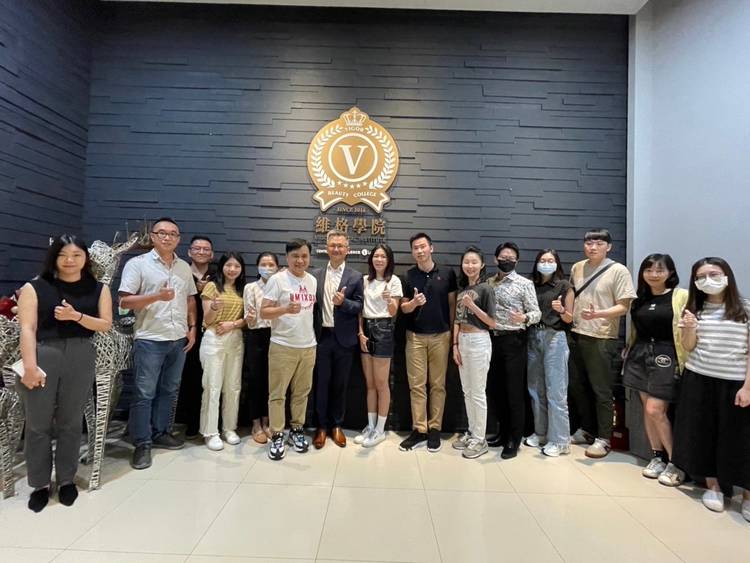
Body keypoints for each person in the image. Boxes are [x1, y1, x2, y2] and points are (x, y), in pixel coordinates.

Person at [16, 235, 112, 512]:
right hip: (43, 354)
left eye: (77, 255)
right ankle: (39, 484)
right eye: (63, 255)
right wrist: (30, 366)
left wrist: (76, 316)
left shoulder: (98, 289)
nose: (70, 260)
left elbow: (105, 324)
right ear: (54, 258)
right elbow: (27, 328)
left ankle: (66, 480)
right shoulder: (35, 287)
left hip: (81, 353)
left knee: (71, 421)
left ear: (85, 259)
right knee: (37, 423)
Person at [672, 257, 750, 521]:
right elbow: (689, 346)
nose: (708, 280)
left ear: (727, 275)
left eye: (714, 274)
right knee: (702, 433)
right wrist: (689, 328)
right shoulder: (695, 309)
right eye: (701, 277)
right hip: (699, 378)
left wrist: (748, 387)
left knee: (740, 439)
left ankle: (747, 495)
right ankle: (713, 486)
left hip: (736, 382)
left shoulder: (745, 308)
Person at [119, 217, 198, 470]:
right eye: (162, 233)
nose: (167, 237)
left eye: (173, 234)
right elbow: (124, 302)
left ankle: (160, 432)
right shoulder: (138, 264)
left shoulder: (183, 267)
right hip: (150, 339)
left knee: (169, 389)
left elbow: (190, 299)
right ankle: (142, 442)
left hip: (178, 339)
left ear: (178, 239)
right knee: (144, 392)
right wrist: (156, 296)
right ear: (153, 236)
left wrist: (192, 328)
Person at [568, 228, 636, 459]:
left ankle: (604, 438)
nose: (593, 247)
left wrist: (599, 314)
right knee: (578, 386)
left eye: (599, 243)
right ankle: (587, 429)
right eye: (589, 243)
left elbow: (624, 306)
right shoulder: (577, 267)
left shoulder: (618, 270)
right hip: (576, 333)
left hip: (602, 337)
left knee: (601, 389)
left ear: (609, 246)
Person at [622, 254, 687, 485]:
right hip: (640, 354)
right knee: (646, 409)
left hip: (666, 355)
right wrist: (629, 348)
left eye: (660, 270)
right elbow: (636, 330)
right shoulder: (639, 299)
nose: (654, 274)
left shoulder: (680, 296)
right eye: (648, 270)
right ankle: (657, 456)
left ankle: (676, 463)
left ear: (670, 272)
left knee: (655, 409)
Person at [399, 232, 457, 452]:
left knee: (438, 385)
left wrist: (452, 335)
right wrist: (414, 303)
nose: (419, 251)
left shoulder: (447, 273)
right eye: (415, 248)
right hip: (414, 337)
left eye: (423, 246)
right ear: (412, 252)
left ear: (431, 248)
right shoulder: (408, 275)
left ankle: (435, 429)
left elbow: (452, 305)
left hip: (441, 336)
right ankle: (419, 429)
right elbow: (404, 308)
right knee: (416, 385)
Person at [260, 239, 317, 461]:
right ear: (287, 258)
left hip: (308, 345)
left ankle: (297, 429)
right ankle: (277, 434)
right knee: (277, 394)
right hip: (282, 345)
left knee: (302, 393)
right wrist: (284, 309)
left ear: (309, 257)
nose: (300, 260)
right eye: (295, 256)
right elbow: (264, 312)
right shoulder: (277, 280)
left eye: (304, 256)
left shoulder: (312, 280)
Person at [486, 242, 541, 459]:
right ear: (495, 259)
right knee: (497, 390)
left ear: (516, 261)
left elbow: (536, 313)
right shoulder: (489, 282)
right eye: (503, 257)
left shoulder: (525, 284)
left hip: (514, 341)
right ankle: (502, 432)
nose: (506, 260)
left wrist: (524, 318)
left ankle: (514, 439)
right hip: (493, 340)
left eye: (511, 257)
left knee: (514, 392)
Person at [312, 230, 364, 449]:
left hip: (344, 339)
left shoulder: (355, 276)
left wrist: (344, 303)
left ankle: (337, 425)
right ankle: (321, 427)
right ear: (327, 248)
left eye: (340, 246)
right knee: (321, 383)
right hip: (321, 337)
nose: (336, 249)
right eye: (332, 245)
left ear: (347, 250)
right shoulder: (315, 275)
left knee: (341, 384)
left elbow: (360, 305)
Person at [526, 249, 574, 457]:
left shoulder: (564, 286)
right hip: (532, 336)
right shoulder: (530, 284)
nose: (546, 263)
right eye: (543, 260)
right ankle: (541, 433)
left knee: (556, 390)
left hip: (555, 337)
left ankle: (561, 441)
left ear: (557, 263)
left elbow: (570, 318)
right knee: (535, 389)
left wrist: (561, 310)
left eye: (550, 260)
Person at [199, 252, 248, 451]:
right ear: (222, 267)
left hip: (235, 338)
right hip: (214, 338)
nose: (232, 269)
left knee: (233, 386)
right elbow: (207, 319)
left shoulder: (243, 289)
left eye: (237, 266)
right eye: (229, 265)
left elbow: (249, 319)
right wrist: (214, 308)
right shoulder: (212, 286)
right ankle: (210, 432)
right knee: (212, 386)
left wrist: (232, 324)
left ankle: (229, 428)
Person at [451, 247, 496, 459]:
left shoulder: (487, 289)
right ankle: (472, 432)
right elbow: (457, 319)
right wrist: (455, 345)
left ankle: (480, 439)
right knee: (467, 391)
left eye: (474, 262)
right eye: (466, 262)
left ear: (482, 265)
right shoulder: (462, 290)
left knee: (478, 392)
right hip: (463, 340)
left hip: (479, 340)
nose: (470, 266)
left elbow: (492, 322)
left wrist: (473, 306)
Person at [355, 244, 402, 448]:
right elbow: (360, 310)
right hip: (366, 328)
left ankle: (381, 429)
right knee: (370, 383)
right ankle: (371, 425)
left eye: (383, 256)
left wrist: (389, 299)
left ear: (389, 260)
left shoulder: (394, 281)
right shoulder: (365, 280)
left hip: (384, 328)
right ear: (371, 259)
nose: (379, 260)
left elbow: (393, 312)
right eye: (376, 256)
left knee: (382, 383)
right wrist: (360, 333)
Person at [176, 235, 215, 439]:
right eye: (197, 248)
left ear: (211, 254)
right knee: (190, 377)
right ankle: (190, 421)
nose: (201, 252)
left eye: (205, 249)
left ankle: (209, 421)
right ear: (189, 251)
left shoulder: (216, 274)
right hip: (186, 332)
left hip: (212, 332)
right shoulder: (180, 271)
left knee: (209, 378)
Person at [242, 251, 279, 444]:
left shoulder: (280, 286)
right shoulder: (250, 287)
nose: (267, 268)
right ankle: (256, 423)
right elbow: (250, 319)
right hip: (256, 336)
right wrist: (249, 318)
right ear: (257, 267)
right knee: (255, 381)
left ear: (277, 267)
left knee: (272, 382)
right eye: (263, 264)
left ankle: (268, 422)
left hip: (277, 337)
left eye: (271, 264)